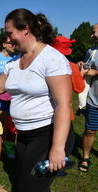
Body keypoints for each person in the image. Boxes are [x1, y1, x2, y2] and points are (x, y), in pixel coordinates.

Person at [0, 8, 74, 192]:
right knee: (35, 185)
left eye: (10, 33)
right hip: (24, 136)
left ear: (25, 29)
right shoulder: (15, 62)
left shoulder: (51, 59)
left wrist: (57, 147)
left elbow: (64, 104)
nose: (8, 39)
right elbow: (0, 86)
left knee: (27, 187)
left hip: (47, 134)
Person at [51, 35, 86, 176]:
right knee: (67, 140)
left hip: (45, 110)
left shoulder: (45, 63)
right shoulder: (70, 66)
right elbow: (79, 88)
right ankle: (58, 166)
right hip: (63, 111)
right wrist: (81, 73)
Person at [0, 35, 18, 159]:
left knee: (11, 126)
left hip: (13, 98)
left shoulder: (17, 58)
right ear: (4, 44)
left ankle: (9, 149)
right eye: (10, 43)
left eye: (14, 43)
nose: (13, 45)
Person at [77, 23, 98, 172]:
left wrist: (96, 72)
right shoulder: (91, 51)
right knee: (90, 130)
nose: (91, 35)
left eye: (94, 32)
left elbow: (94, 71)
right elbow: (87, 66)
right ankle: (85, 157)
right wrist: (82, 65)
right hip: (94, 99)